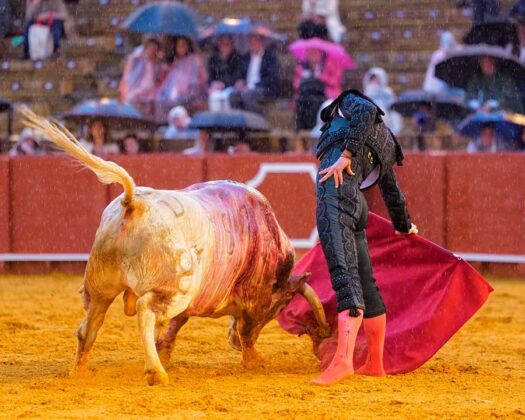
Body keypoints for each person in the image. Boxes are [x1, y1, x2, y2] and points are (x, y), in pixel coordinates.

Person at [312, 89, 417, 386]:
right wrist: (404, 225)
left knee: (345, 277)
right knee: (365, 283)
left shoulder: (348, 104)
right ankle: (374, 363)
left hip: (334, 197)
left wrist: (345, 155)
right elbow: (392, 191)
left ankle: (343, 361)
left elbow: (367, 110)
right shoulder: (384, 143)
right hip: (357, 204)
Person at [155, 37, 208, 119]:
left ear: (188, 46)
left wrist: (193, 86)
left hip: (192, 92)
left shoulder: (195, 59)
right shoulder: (175, 61)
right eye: (179, 46)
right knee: (161, 99)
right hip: (174, 92)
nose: (181, 48)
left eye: (183, 45)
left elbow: (202, 77)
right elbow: (169, 79)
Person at [293, 47, 342, 131]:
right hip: (306, 97)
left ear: (320, 55)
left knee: (318, 104)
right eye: (310, 54)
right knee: (303, 102)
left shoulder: (327, 66)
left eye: (315, 54)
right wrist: (305, 78)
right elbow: (296, 84)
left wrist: (321, 77)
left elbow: (335, 81)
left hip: (323, 96)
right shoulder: (302, 68)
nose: (312, 57)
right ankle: (302, 128)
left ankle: (316, 127)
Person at [229, 35, 282, 113]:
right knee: (233, 95)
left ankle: (258, 117)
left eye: (255, 41)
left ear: (261, 43)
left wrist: (253, 85)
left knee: (247, 95)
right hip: (246, 87)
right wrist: (240, 81)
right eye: (251, 42)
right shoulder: (246, 58)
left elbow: (272, 77)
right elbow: (239, 73)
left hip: (264, 88)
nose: (253, 44)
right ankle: (240, 118)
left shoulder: (270, 57)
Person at [207, 35, 247, 111]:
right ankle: (216, 118)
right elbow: (210, 78)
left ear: (232, 45)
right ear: (219, 45)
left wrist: (224, 84)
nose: (225, 47)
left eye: (227, 44)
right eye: (223, 44)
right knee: (214, 97)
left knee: (226, 98)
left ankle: (227, 118)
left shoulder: (238, 59)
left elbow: (238, 77)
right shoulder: (213, 60)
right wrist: (214, 83)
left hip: (232, 88)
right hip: (218, 89)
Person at [119, 37, 164, 103]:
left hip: (149, 95)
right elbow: (126, 78)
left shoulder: (157, 65)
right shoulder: (136, 60)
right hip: (134, 93)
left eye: (155, 50)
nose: (152, 52)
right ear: (145, 48)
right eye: (150, 48)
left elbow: (157, 82)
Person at [363, 67, 403, 135]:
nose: (374, 82)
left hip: (386, 116)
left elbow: (392, 105)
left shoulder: (387, 92)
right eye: (373, 79)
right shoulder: (367, 92)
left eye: (377, 79)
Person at [423, 31, 464, 98]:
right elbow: (431, 74)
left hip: (454, 85)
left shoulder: (459, 51)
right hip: (441, 85)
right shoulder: (438, 55)